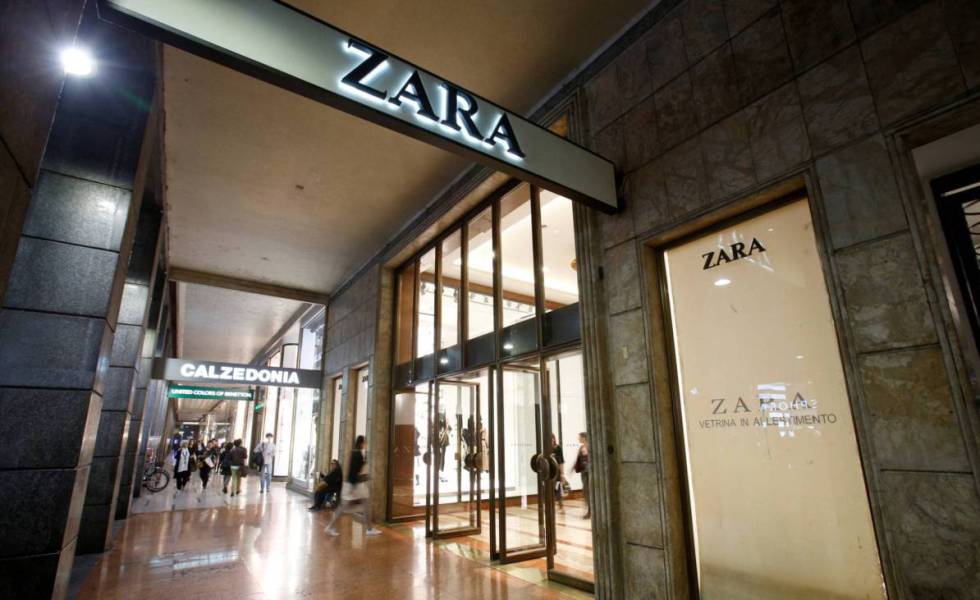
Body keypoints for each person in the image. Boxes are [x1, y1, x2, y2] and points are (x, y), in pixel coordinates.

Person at [324, 436, 381, 536]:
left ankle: (369, 528)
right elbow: (353, 473)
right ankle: (369, 529)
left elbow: (353, 471)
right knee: (349, 507)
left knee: (351, 506)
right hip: (355, 485)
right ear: (362, 443)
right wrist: (355, 485)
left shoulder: (354, 453)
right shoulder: (358, 454)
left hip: (352, 485)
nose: (365, 445)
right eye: (364, 443)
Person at [573, 432, 590, 519]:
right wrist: (573, 468)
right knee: (586, 491)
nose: (578, 439)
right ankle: (589, 510)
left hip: (590, 473)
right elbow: (578, 460)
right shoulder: (581, 447)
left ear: (584, 438)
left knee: (589, 491)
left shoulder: (590, 446)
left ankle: (590, 511)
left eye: (579, 437)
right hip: (584, 472)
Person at [551, 433, 567, 513]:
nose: (551, 440)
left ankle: (561, 507)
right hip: (550, 473)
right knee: (551, 490)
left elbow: (561, 461)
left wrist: (562, 474)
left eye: (552, 438)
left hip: (557, 473)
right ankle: (553, 507)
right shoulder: (546, 449)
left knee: (558, 489)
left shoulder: (558, 448)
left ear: (554, 439)